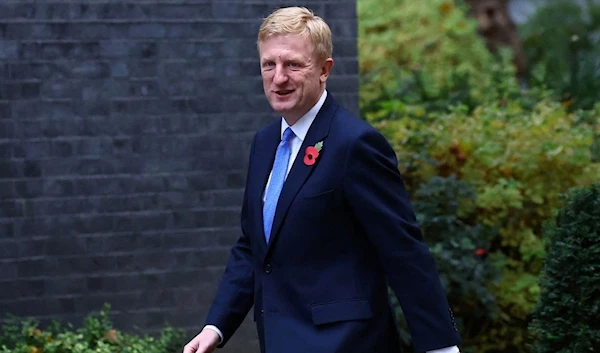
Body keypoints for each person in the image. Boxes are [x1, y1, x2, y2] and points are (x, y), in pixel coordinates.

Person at [183, 6, 461, 353]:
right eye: (269, 64)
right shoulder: (265, 143)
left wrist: (440, 346)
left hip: (346, 343)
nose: (279, 77)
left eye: (293, 65)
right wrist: (216, 326)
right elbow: (253, 247)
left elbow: (403, 250)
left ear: (324, 70)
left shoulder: (355, 144)